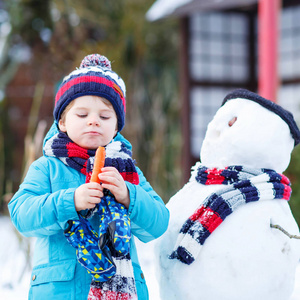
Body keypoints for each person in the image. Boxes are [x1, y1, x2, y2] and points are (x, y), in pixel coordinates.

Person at [8, 53, 169, 300]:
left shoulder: (127, 171)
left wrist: (128, 195)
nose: (93, 122)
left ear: (116, 127)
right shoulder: (47, 167)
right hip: (60, 290)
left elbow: (158, 223)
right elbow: (21, 213)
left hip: (124, 288)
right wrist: (69, 201)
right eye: (82, 115)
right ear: (62, 122)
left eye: (104, 117)